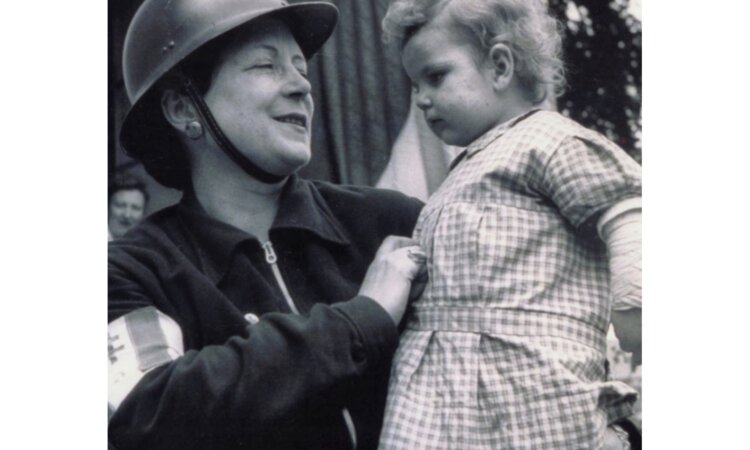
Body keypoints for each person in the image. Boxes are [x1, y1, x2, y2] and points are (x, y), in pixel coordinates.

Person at [108, 1, 426, 449]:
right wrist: (360, 321)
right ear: (182, 108)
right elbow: (146, 411)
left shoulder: (393, 221)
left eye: (301, 68)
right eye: (265, 65)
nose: (301, 86)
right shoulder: (131, 272)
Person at [378, 0, 642, 448]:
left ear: (500, 66)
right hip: (439, 396)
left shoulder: (548, 138)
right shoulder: (461, 172)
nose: (421, 99)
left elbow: (624, 207)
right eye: (415, 84)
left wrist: (635, 305)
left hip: (527, 384)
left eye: (435, 76)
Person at [108, 173, 148, 241]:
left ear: (143, 214)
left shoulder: (146, 244)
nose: (127, 215)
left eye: (135, 208)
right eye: (120, 205)